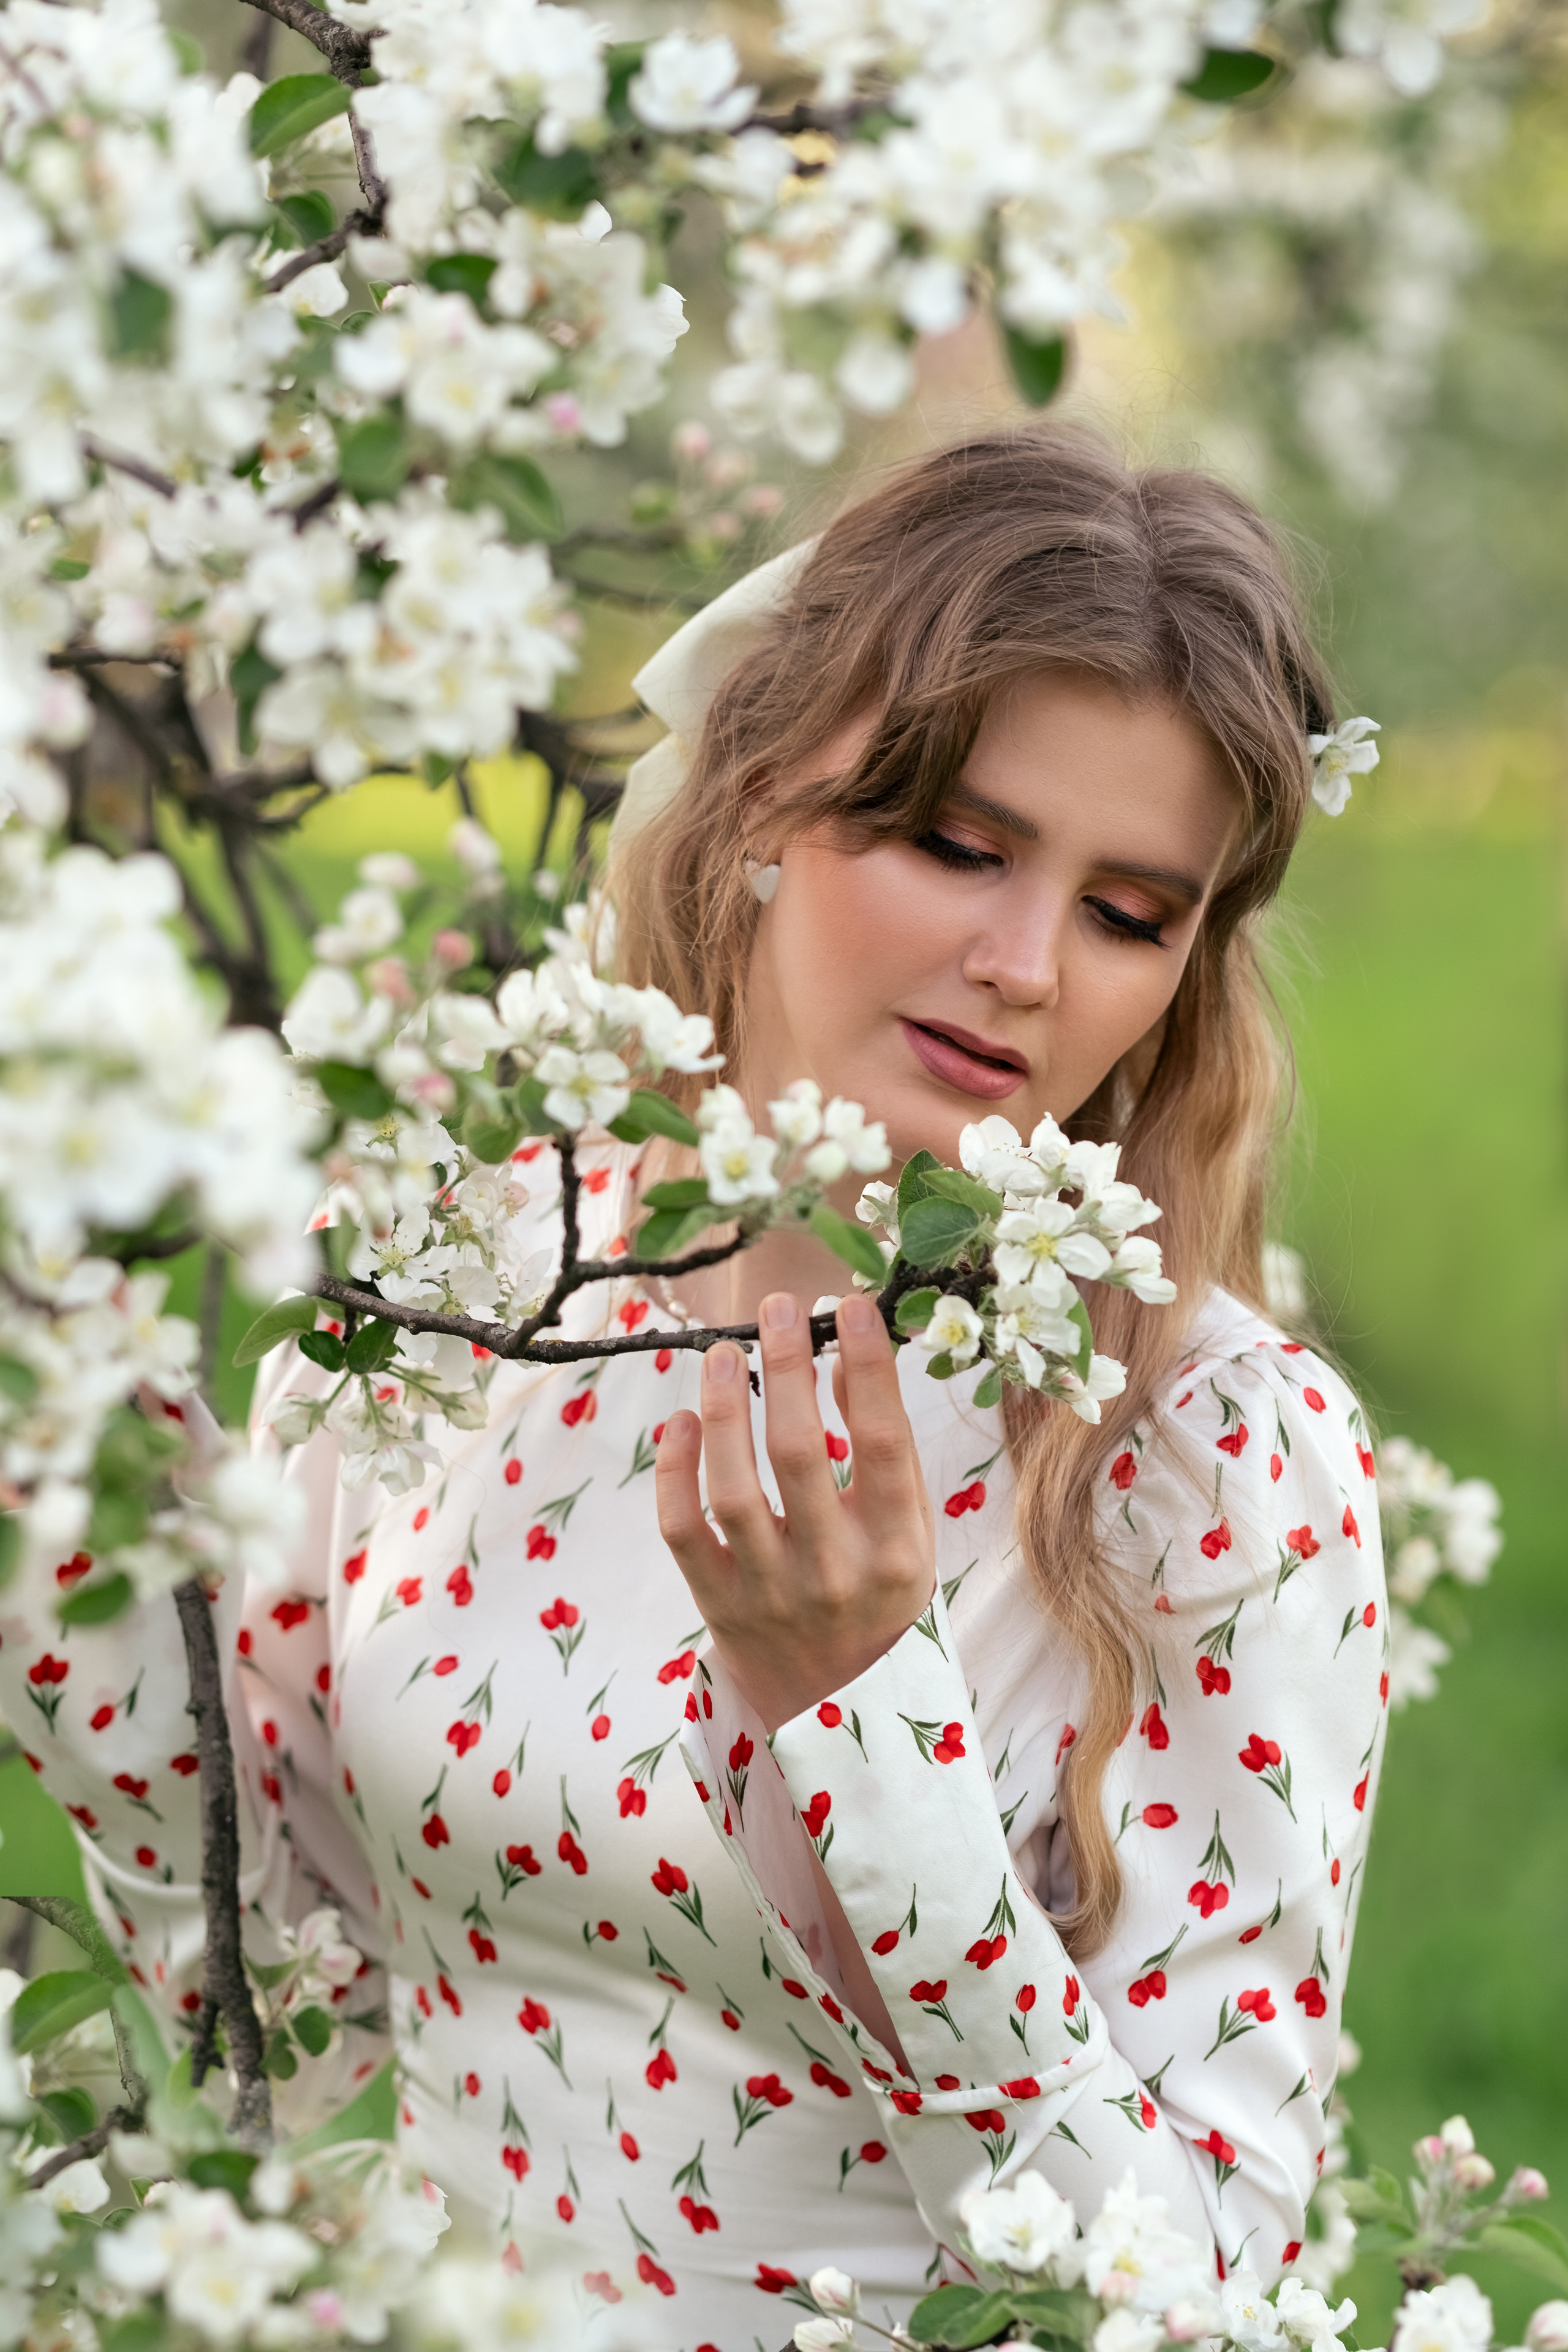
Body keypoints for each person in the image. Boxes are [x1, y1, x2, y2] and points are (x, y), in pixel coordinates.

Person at [0, 429, 1388, 2347]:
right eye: (959, 846)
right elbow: (273, 2006)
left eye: (1127, 913)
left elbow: (1199, 2292)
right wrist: (82, 1568)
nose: (1020, 965)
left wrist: (863, 1727)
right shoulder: (471, 1269)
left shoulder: (1212, 1454)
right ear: (756, 797)